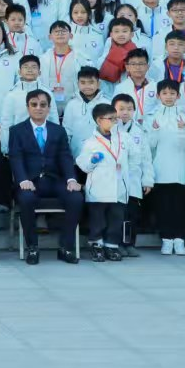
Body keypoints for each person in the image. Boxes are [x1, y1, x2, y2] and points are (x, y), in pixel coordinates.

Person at [7, 89, 78, 265]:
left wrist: (71, 179)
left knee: (75, 198)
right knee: (27, 199)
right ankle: (32, 247)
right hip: (29, 181)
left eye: (43, 105)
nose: (38, 108)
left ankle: (66, 247)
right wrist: (22, 179)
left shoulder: (58, 131)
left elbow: (65, 156)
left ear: (49, 108)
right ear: (27, 107)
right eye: (34, 104)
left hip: (54, 180)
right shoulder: (17, 130)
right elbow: (15, 157)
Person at [144, 81, 185, 255]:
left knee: (180, 205)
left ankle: (180, 239)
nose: (168, 96)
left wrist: (183, 130)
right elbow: (149, 146)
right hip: (160, 168)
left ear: (178, 96)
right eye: (165, 93)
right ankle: (166, 239)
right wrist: (154, 132)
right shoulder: (152, 116)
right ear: (158, 96)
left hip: (180, 167)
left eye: (172, 93)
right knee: (163, 206)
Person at [75, 103, 128, 262]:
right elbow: (82, 165)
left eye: (115, 118)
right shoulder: (90, 142)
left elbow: (134, 158)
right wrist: (92, 160)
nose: (115, 122)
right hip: (98, 188)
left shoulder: (124, 138)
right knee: (98, 219)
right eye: (111, 119)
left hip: (119, 186)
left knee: (116, 218)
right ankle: (96, 245)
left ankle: (112, 246)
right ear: (99, 120)